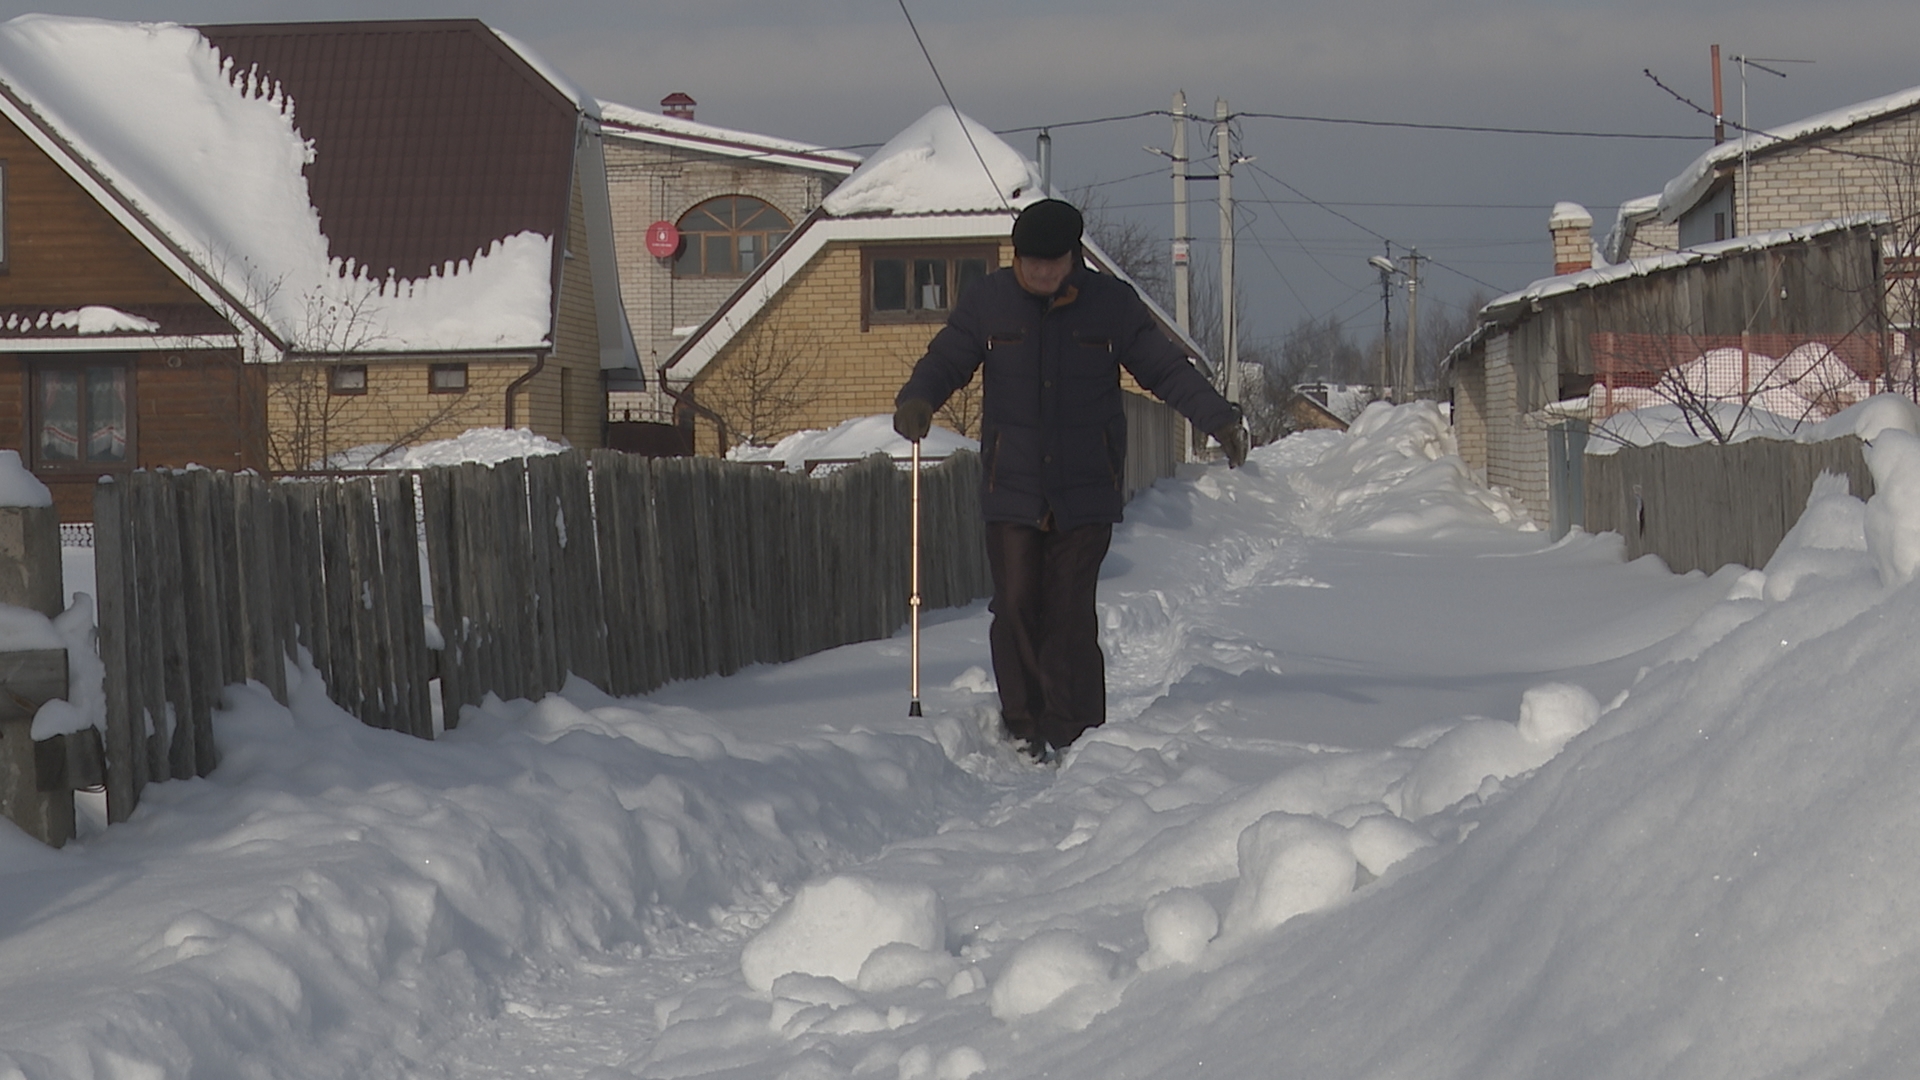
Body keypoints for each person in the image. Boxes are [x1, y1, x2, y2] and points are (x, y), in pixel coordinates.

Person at [894, 198, 1248, 761]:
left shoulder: (1111, 306)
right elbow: (947, 358)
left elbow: (1162, 367)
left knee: (1067, 609)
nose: (1038, 274)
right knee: (1013, 603)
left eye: (1050, 264)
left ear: (1073, 258)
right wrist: (917, 399)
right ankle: (1023, 720)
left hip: (1086, 481)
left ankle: (1074, 727)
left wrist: (1219, 419)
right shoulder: (989, 300)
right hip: (1011, 481)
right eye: (1028, 263)